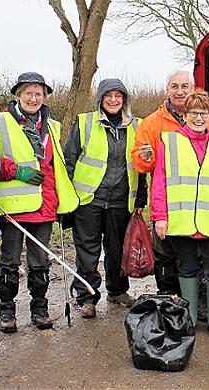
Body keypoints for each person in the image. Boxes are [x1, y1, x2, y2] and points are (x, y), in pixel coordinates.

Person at [0, 72, 79, 333]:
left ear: (45, 97)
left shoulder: (52, 126)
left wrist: (59, 203)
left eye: (38, 93)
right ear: (18, 95)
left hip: (43, 206)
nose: (33, 98)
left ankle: (40, 308)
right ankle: (6, 311)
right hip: (13, 207)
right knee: (10, 261)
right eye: (28, 93)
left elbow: (53, 169)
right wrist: (17, 171)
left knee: (40, 262)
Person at [151, 90, 209, 339]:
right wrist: (160, 215)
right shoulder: (169, 142)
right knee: (187, 269)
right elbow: (160, 182)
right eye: (193, 113)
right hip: (183, 221)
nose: (198, 118)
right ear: (185, 114)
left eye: (203, 113)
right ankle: (189, 318)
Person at [64, 78, 147, 319]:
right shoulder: (85, 122)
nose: (113, 100)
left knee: (117, 248)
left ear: (124, 100)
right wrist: (67, 198)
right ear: (100, 98)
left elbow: (141, 166)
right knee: (87, 250)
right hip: (89, 199)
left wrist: (141, 199)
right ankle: (87, 297)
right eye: (108, 95)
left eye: (118, 96)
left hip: (122, 200)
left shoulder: (136, 126)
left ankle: (118, 291)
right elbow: (69, 160)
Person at [131, 70, 209, 297]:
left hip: (200, 206)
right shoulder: (151, 123)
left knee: (197, 257)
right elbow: (140, 163)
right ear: (167, 90)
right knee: (165, 256)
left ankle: (193, 301)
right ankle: (168, 299)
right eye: (174, 86)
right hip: (167, 204)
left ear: (193, 89)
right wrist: (145, 157)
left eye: (184, 86)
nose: (179, 91)